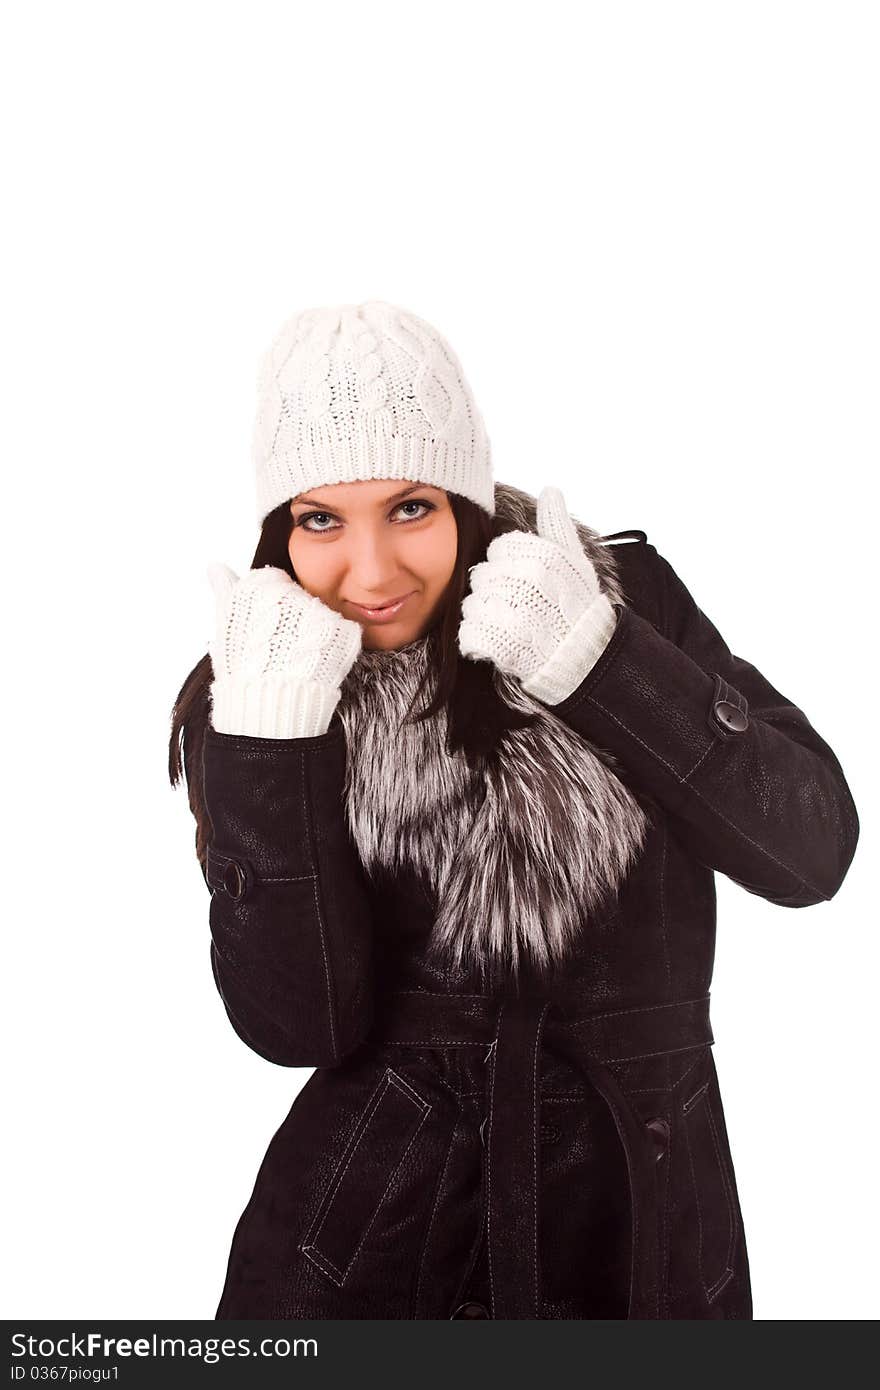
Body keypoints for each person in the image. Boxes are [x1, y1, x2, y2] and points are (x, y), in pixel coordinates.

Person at [168, 299, 859, 1320]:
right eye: (321, 518)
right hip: (378, 1253)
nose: (370, 571)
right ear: (281, 531)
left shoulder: (614, 599)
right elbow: (298, 1023)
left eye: (410, 507)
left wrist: (598, 663)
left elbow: (809, 852)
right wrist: (273, 742)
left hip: (645, 1231)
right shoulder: (268, 683)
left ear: (465, 501)